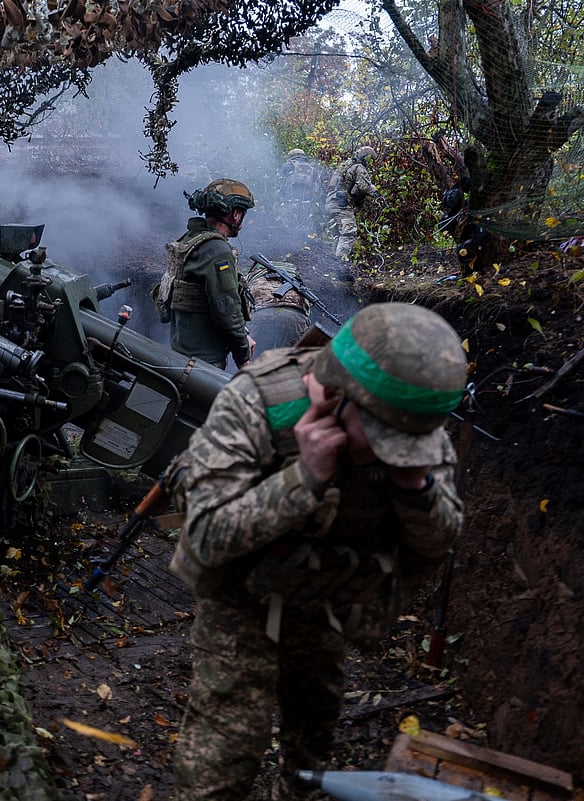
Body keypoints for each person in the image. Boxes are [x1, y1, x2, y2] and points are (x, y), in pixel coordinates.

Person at [166, 302, 467, 801]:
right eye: (383, 439)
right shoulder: (256, 402)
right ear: (335, 395)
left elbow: (439, 541)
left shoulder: (411, 419)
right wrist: (304, 478)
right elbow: (206, 535)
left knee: (315, 728)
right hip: (242, 598)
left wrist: (415, 487)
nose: (393, 453)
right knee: (223, 755)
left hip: (326, 600)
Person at [153, 178, 257, 369]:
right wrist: (243, 357)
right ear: (235, 214)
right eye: (243, 213)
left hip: (181, 352)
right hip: (204, 363)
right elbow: (226, 308)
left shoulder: (190, 240)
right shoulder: (217, 250)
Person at [325, 145, 381, 261]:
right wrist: (376, 193)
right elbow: (364, 186)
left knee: (339, 234)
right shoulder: (359, 167)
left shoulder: (344, 166)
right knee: (349, 233)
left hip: (331, 203)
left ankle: (331, 264)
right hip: (342, 205)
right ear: (366, 157)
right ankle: (340, 262)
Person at [276, 149, 320, 231]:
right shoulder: (312, 169)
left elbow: (280, 185)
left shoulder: (287, 166)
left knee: (286, 231)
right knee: (303, 231)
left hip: (289, 203)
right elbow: (318, 190)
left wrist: (278, 201)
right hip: (306, 205)